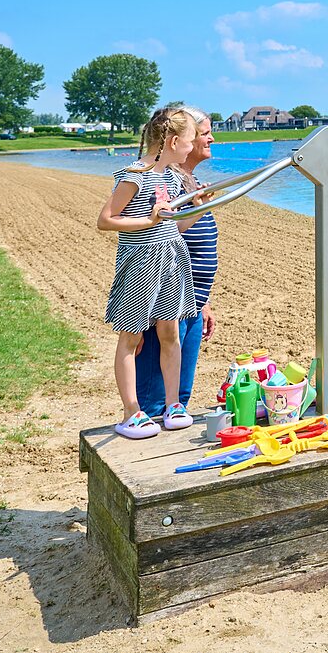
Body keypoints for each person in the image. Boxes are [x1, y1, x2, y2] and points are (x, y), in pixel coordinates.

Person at [96, 108, 200, 439]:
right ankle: (131, 412)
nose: (191, 148)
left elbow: (174, 224)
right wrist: (149, 221)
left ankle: (173, 405)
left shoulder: (170, 177)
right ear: (172, 141)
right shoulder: (133, 176)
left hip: (170, 259)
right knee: (132, 338)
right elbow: (105, 220)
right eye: (189, 141)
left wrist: (202, 205)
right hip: (141, 264)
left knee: (170, 334)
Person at [134, 105, 218, 420]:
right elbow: (147, 246)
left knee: (178, 402)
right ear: (179, 138)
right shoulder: (162, 182)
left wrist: (204, 300)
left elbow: (191, 247)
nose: (211, 138)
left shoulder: (189, 181)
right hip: (164, 309)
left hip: (191, 305)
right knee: (155, 404)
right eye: (204, 132)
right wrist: (141, 317)